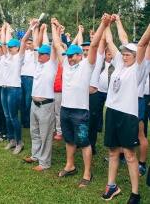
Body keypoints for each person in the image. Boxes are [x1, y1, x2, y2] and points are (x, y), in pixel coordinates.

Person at [52, 14, 110, 187]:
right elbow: (56, 44)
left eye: (72, 56)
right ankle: (70, 166)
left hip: (80, 111)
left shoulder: (87, 65)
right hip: (65, 109)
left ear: (79, 56)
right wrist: (54, 28)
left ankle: (87, 173)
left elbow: (93, 45)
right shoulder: (66, 64)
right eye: (68, 56)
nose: (69, 58)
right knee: (69, 140)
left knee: (84, 142)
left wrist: (103, 24)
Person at [101, 19, 150, 203]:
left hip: (128, 115)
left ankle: (135, 193)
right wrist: (106, 24)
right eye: (124, 53)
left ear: (136, 55)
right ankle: (111, 185)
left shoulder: (139, 68)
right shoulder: (120, 65)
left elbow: (144, 42)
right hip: (112, 112)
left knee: (129, 155)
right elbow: (110, 41)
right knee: (113, 151)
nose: (125, 55)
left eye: (129, 53)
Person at [22, 21, 57, 172]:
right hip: (34, 104)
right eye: (39, 53)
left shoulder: (52, 64)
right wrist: (34, 27)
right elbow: (36, 42)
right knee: (34, 132)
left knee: (45, 135)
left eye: (43, 54)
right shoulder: (38, 63)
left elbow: (55, 46)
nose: (40, 55)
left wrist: (54, 28)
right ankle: (35, 156)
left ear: (48, 56)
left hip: (46, 105)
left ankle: (44, 162)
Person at [0, 22, 26, 154]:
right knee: (7, 116)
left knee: (14, 116)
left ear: (18, 47)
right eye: (9, 46)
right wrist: (5, 29)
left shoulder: (19, 58)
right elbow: (3, 42)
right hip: (4, 89)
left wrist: (31, 28)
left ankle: (19, 141)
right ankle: (11, 140)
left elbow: (25, 40)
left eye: (12, 47)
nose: (9, 48)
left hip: (14, 89)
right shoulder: (8, 57)